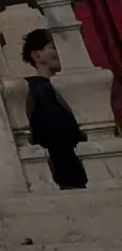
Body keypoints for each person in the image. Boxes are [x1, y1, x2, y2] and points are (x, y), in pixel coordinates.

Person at [22, 28, 87, 190]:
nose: (59, 52)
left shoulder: (59, 87)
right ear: (37, 56)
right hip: (63, 173)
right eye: (53, 46)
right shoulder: (39, 90)